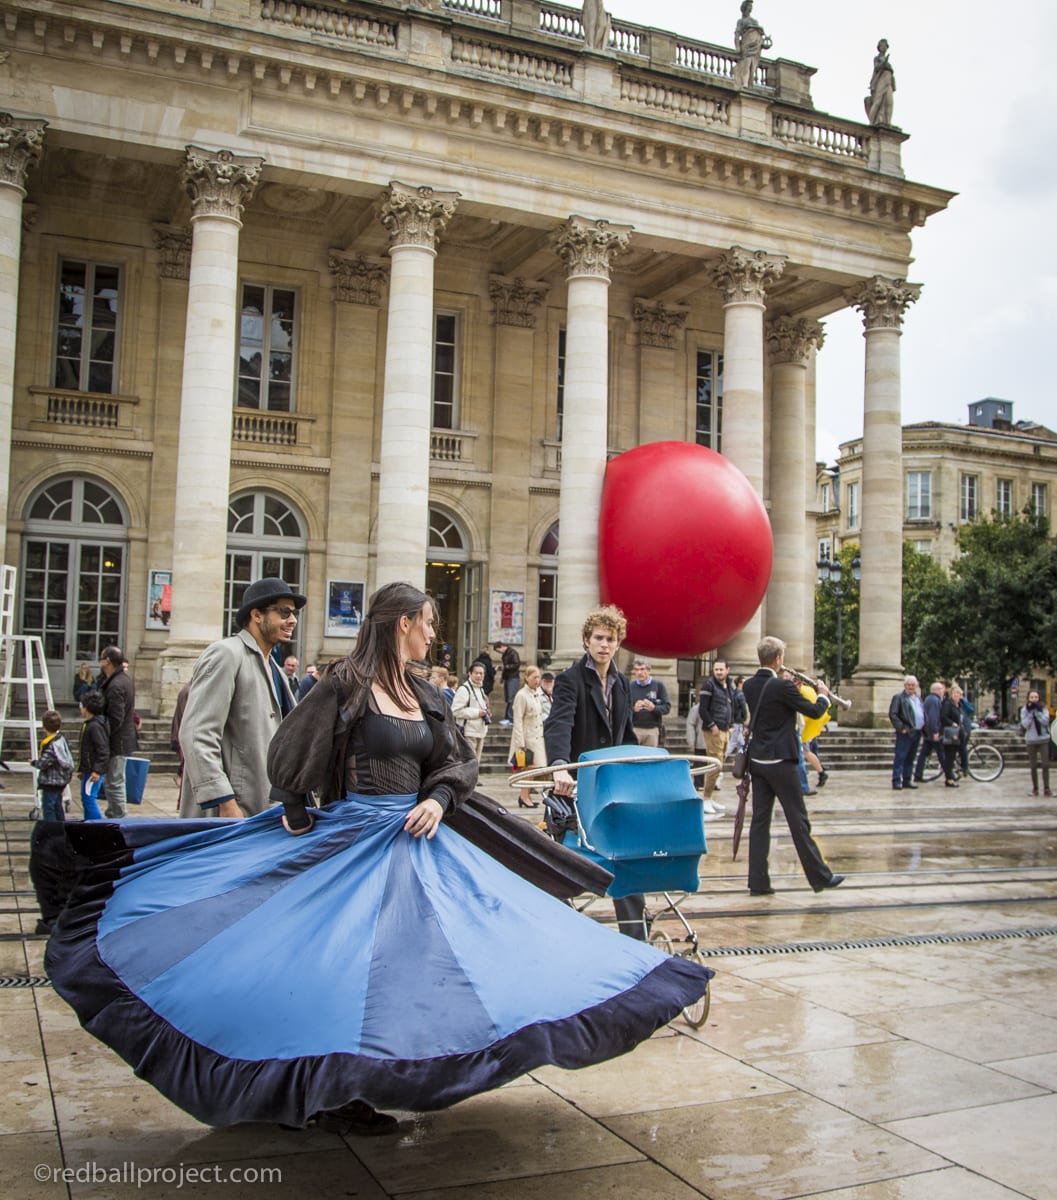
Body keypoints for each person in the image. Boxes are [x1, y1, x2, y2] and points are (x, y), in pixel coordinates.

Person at [44, 581, 713, 1138]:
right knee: (341, 969)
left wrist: (442, 798)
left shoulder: (425, 693)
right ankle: (336, 1090)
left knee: (434, 963)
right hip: (352, 841)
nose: (432, 636)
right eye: (426, 625)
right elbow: (288, 762)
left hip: (419, 841)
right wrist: (299, 817)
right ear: (399, 625)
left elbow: (456, 760)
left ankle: (376, 1076)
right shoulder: (345, 685)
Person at [544, 604, 648, 939]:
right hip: (576, 786)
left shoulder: (622, 684)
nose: (604, 645)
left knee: (626, 858)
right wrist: (560, 765)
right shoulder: (569, 680)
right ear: (587, 641)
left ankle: (636, 936)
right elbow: (559, 723)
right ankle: (559, 932)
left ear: (618, 643)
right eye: (599, 638)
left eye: (611, 639)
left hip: (614, 786)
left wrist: (639, 769)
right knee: (564, 861)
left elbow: (627, 734)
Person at [178, 577, 304, 818]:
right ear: (256, 615)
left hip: (265, 809)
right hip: (230, 812)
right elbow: (196, 733)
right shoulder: (226, 653)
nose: (293, 620)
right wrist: (225, 802)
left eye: (294, 613)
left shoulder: (275, 667)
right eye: (284, 612)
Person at [742, 636, 844, 897]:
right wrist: (824, 696)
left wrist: (791, 688)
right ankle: (819, 876)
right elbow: (812, 711)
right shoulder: (782, 688)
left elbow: (774, 704)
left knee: (760, 822)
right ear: (778, 659)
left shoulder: (750, 685)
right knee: (798, 820)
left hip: (758, 761)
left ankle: (758, 882)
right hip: (781, 762)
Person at [98, 646, 138, 819]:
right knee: (114, 780)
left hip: (118, 739)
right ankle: (113, 812)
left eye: (101, 658)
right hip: (121, 737)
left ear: (107, 661)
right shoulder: (121, 679)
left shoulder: (116, 684)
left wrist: (103, 735)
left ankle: (119, 816)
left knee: (115, 781)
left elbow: (116, 717)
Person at [697, 660, 739, 815]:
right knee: (714, 765)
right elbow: (703, 709)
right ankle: (706, 798)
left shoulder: (728, 686)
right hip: (714, 730)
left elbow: (731, 706)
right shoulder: (709, 685)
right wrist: (712, 725)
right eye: (716, 669)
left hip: (725, 729)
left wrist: (732, 724)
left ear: (728, 670)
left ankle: (710, 797)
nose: (718, 672)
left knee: (719, 764)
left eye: (721, 669)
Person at [510, 665, 547, 809]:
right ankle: (524, 796)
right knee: (527, 769)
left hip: (537, 737)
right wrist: (520, 743)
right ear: (526, 678)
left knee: (533, 770)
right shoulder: (521, 695)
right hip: (527, 738)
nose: (537, 680)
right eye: (534, 677)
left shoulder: (536, 693)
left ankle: (526, 795)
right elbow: (517, 719)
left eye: (538, 677)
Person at [30, 710, 74, 823]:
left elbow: (44, 763)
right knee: (57, 804)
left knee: (48, 806)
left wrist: (34, 762)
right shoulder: (61, 739)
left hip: (51, 781)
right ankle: (61, 826)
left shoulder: (50, 745)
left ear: (44, 727)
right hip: (61, 780)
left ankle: (51, 829)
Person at [914, 681, 956, 787]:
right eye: (941, 689)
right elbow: (933, 718)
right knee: (942, 755)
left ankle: (918, 775)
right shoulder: (934, 700)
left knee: (924, 754)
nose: (943, 691)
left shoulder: (929, 699)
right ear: (937, 690)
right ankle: (949, 776)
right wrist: (935, 732)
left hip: (928, 732)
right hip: (933, 733)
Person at [77, 691, 109, 821]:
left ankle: (96, 825)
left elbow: (102, 750)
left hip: (94, 771)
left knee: (89, 799)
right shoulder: (91, 724)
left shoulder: (95, 726)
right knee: (86, 798)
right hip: (89, 770)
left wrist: (97, 770)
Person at [889, 675, 924, 790]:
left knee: (911, 757)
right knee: (901, 756)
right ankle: (897, 780)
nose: (911, 687)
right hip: (906, 732)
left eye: (913, 685)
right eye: (908, 685)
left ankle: (907, 779)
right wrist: (901, 728)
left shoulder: (918, 698)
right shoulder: (899, 697)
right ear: (904, 686)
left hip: (917, 731)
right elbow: (893, 714)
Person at [451, 662, 492, 760]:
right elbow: (455, 711)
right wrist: (477, 713)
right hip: (468, 733)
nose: (479, 675)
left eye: (481, 673)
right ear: (470, 673)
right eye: (476, 673)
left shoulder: (480, 689)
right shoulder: (464, 689)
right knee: (469, 764)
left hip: (480, 731)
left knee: (475, 764)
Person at [629, 658, 671, 748]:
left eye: (642, 669)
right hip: (635, 729)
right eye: (636, 670)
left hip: (652, 730)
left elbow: (667, 707)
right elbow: (622, 710)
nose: (639, 672)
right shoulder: (630, 687)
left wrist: (654, 708)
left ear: (649, 671)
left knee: (650, 759)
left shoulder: (658, 686)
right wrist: (633, 709)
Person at [733, 0, 771, 89]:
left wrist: (763, 43)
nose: (750, 8)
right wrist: (738, 47)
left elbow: (761, 34)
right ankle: (745, 82)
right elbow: (737, 34)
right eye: (748, 6)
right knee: (746, 62)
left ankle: (750, 82)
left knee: (753, 64)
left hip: (757, 43)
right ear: (744, 8)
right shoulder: (741, 21)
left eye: (751, 7)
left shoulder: (754, 21)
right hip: (747, 43)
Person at [1020, 690, 1052, 797]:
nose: (1034, 699)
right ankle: (1035, 788)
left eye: (1036, 697)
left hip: (1043, 739)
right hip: (1031, 740)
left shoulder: (1043, 708)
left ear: (1039, 698)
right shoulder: (1025, 710)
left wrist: (1037, 713)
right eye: (1032, 697)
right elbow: (1025, 725)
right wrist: (1030, 714)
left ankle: (1047, 788)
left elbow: (1045, 722)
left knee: (1045, 764)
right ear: (1028, 698)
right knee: (1033, 766)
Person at [865, 38, 895, 125]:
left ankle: (888, 123)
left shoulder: (887, 61)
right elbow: (877, 68)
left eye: (885, 45)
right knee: (877, 101)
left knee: (889, 101)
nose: (884, 47)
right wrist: (884, 62)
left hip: (888, 81)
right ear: (879, 47)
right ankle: (872, 122)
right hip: (881, 80)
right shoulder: (877, 58)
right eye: (882, 45)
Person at [496, 641, 521, 725]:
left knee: (511, 698)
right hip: (508, 678)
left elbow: (516, 664)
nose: (499, 652)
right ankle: (507, 717)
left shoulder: (512, 653)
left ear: (502, 646)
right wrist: (503, 677)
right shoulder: (506, 654)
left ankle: (510, 719)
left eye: (498, 650)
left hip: (513, 678)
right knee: (508, 698)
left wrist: (505, 667)